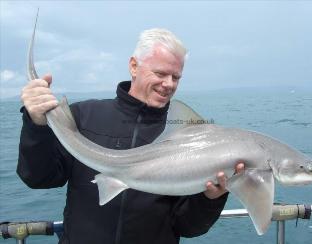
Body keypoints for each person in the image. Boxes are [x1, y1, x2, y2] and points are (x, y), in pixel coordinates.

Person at [18, 28, 244, 244]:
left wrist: (209, 199)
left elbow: (188, 227)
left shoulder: (187, 136)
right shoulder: (83, 117)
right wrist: (36, 125)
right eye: (160, 73)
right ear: (134, 66)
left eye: (176, 77)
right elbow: (39, 178)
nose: (169, 84)